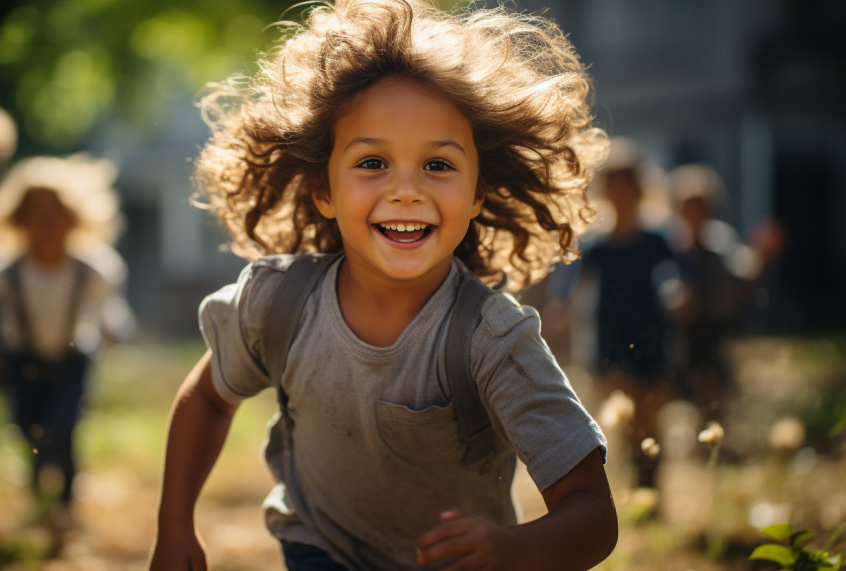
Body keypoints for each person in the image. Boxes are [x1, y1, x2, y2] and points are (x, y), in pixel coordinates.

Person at [150, 0, 616, 569]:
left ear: (477, 195)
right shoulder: (277, 304)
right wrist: (174, 527)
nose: (406, 191)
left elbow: (593, 511)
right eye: (372, 163)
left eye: (438, 165)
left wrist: (517, 548)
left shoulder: (493, 340)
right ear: (324, 190)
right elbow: (208, 398)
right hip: (318, 546)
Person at [0, 154, 135, 538]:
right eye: (36, 212)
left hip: (73, 358)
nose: (47, 222)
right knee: (29, 430)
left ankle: (64, 504)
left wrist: (114, 330)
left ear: (74, 218)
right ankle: (37, 498)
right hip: (21, 359)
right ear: (18, 219)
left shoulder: (96, 267)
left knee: (62, 428)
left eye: (56, 212)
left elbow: (110, 312)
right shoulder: (3, 265)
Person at [545, 138, 680, 491]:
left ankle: (650, 484)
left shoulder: (657, 241)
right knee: (626, 419)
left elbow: (673, 277)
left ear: (639, 191)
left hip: (651, 336)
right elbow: (572, 284)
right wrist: (562, 308)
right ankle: (635, 486)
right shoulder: (597, 247)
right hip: (612, 339)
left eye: (628, 187)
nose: (622, 195)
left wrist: (679, 295)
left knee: (651, 420)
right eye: (615, 187)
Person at [668, 162, 783, 421]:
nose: (696, 215)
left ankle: (711, 440)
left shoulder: (720, 241)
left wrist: (761, 258)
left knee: (713, 392)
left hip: (712, 331)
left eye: (702, 208)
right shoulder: (669, 245)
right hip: (674, 335)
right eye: (689, 207)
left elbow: (743, 273)